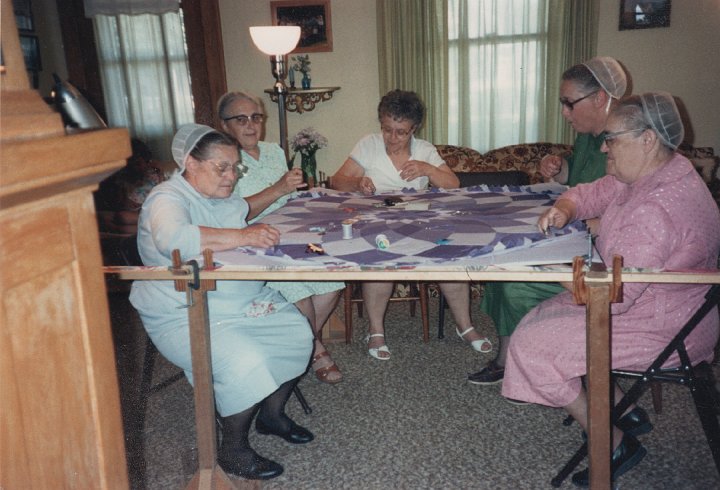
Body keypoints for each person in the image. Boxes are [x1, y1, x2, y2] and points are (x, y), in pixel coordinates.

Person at [502, 93, 720, 486]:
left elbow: (613, 299)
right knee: (538, 317)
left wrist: (551, 266)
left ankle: (615, 443)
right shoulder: (662, 170)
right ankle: (621, 408)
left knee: (531, 344)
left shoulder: (658, 207)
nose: (604, 146)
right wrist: (565, 208)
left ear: (648, 139)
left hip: (665, 326)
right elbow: (594, 191)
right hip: (659, 305)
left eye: (612, 138)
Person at [129, 124, 315, 480]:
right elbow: (174, 239)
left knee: (299, 334)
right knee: (246, 359)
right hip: (183, 311)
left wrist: (276, 192)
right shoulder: (167, 198)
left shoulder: (218, 194)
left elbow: (243, 207)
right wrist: (243, 236)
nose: (231, 176)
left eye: (235, 168)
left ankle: (272, 416)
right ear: (190, 163)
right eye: (222, 167)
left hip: (235, 300)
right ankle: (233, 449)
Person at [469, 56, 629, 386]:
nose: (564, 114)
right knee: (503, 265)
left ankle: (537, 364)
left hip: (600, 256)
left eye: (569, 104)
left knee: (514, 281)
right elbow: (581, 180)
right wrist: (559, 166)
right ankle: (510, 357)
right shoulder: (589, 135)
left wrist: (595, 220)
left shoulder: (624, 143)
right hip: (577, 237)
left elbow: (626, 205)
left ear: (600, 98)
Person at [331, 89, 491, 359]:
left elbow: (453, 184)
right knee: (378, 258)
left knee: (450, 255)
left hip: (420, 222)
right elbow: (338, 181)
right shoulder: (368, 145)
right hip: (376, 222)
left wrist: (429, 170)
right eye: (387, 129)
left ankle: (464, 326)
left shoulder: (424, 149)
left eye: (401, 132)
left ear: (413, 129)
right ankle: (376, 330)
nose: (393, 138)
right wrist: (357, 183)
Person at [217, 91, 345, 384]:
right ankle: (316, 350)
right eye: (241, 119)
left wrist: (310, 196)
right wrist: (279, 188)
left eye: (256, 117)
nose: (251, 125)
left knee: (332, 282)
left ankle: (304, 343)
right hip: (254, 242)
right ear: (225, 125)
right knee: (300, 294)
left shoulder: (273, 150)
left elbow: (289, 196)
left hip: (292, 232)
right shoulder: (224, 162)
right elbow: (234, 215)